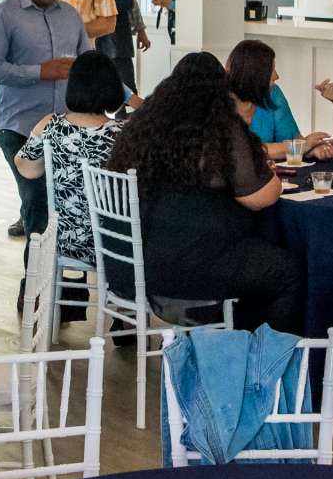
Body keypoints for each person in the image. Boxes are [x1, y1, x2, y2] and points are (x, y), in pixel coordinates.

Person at [105, 53, 301, 332]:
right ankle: (262, 362)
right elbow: (261, 198)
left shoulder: (141, 127)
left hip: (133, 262)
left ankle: (228, 341)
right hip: (194, 267)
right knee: (287, 272)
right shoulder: (222, 131)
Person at [0, 0, 89, 240]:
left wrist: (130, 97)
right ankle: (35, 283)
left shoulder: (70, 16)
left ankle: (66, 281)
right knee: (37, 203)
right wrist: (40, 72)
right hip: (19, 127)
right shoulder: (1, 16)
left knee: (67, 206)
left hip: (65, 130)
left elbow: (90, 66)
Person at [14, 50, 127, 272]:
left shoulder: (51, 125)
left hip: (66, 241)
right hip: (114, 244)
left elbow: (26, 167)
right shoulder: (123, 135)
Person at [226, 37, 332, 162]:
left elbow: (294, 141)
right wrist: (302, 146)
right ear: (254, 75)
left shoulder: (273, 93)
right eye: (271, 70)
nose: (277, 76)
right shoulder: (220, 102)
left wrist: (311, 150)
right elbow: (243, 151)